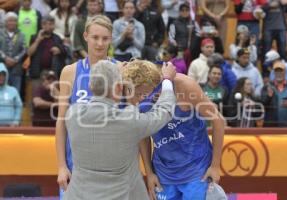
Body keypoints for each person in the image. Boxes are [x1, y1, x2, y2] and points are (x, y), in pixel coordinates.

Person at [63, 59, 177, 200]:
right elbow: (165, 111)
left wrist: (116, 79)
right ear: (118, 87)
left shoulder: (72, 115)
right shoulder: (128, 121)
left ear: (91, 85)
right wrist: (166, 80)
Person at [122, 60, 225, 200]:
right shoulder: (133, 94)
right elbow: (142, 133)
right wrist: (149, 173)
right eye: (136, 94)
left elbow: (218, 120)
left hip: (196, 169)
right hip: (163, 172)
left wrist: (215, 166)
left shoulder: (183, 85)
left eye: (143, 94)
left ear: (155, 83)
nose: (140, 99)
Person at [55, 15, 114, 199]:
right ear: (86, 36)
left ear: (111, 39)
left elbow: (133, 125)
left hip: (111, 171)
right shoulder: (70, 72)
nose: (99, 43)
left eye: (105, 38)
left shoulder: (120, 70)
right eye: (95, 37)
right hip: (76, 169)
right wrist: (62, 166)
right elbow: (61, 122)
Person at [27, 15, 67, 91]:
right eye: (46, 24)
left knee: (53, 97)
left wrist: (59, 50)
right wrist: (38, 40)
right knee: (36, 95)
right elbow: (29, 53)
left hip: (52, 73)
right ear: (42, 25)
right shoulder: (34, 37)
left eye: (51, 24)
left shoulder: (57, 38)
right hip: (37, 73)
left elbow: (65, 53)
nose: (48, 26)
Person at [261, 61, 287, 127]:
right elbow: (262, 105)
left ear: (285, 72)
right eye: (277, 71)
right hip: (271, 127)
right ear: (274, 73)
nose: (279, 73)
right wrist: (268, 97)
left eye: (281, 71)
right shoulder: (267, 86)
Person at [0, 12, 27, 93]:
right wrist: (5, 58)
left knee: (16, 91)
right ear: (5, 22)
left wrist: (16, 59)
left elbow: (24, 49)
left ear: (17, 22)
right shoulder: (0, 33)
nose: (12, 22)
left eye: (14, 20)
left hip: (16, 68)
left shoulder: (21, 34)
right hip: (2, 69)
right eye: (9, 20)